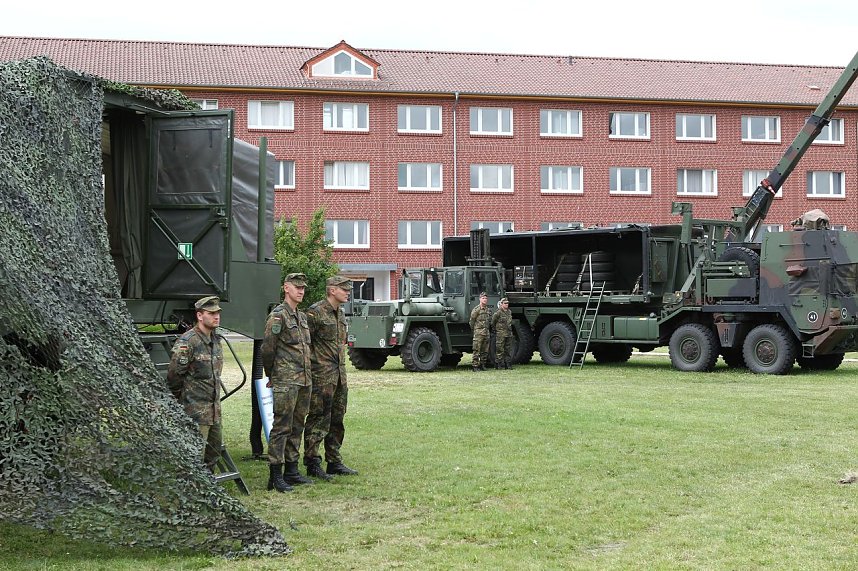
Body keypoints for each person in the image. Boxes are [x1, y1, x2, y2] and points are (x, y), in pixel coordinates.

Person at [260, 273, 314, 492]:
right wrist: (273, 374)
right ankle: (276, 474)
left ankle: (292, 470)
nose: (301, 291)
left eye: (303, 288)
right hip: (285, 380)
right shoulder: (278, 316)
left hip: (303, 380)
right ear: (286, 288)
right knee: (282, 426)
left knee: (297, 425)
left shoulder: (301, 317)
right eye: (296, 287)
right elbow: (267, 349)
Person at [304, 275, 358, 479]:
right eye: (344, 289)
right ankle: (312, 461)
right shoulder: (315, 312)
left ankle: (334, 460)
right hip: (321, 376)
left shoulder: (341, 314)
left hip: (339, 377)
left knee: (337, 418)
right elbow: (305, 344)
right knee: (318, 418)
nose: (347, 292)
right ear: (332, 290)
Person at [166, 295, 224, 472]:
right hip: (195, 411)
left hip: (213, 411)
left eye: (218, 313)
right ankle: (192, 493)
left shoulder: (216, 341)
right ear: (200, 316)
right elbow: (174, 376)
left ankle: (209, 491)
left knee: (213, 455)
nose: (216, 316)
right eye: (211, 313)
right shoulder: (188, 342)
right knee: (193, 457)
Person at [469, 292, 492, 372]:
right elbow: (472, 321)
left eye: (486, 298)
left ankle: (482, 365)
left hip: (486, 333)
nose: (485, 300)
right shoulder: (476, 310)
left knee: (485, 351)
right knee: (476, 350)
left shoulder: (488, 310)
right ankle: (475, 366)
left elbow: (489, 321)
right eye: (483, 298)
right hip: (478, 333)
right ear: (480, 299)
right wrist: (475, 330)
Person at [492, 297, 514, 369]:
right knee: (500, 349)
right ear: (501, 304)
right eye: (505, 303)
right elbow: (493, 322)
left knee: (508, 349)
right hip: (501, 334)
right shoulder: (498, 313)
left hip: (508, 333)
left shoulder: (509, 312)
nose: (506, 305)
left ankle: (508, 364)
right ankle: (499, 364)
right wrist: (496, 330)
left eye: (507, 303)